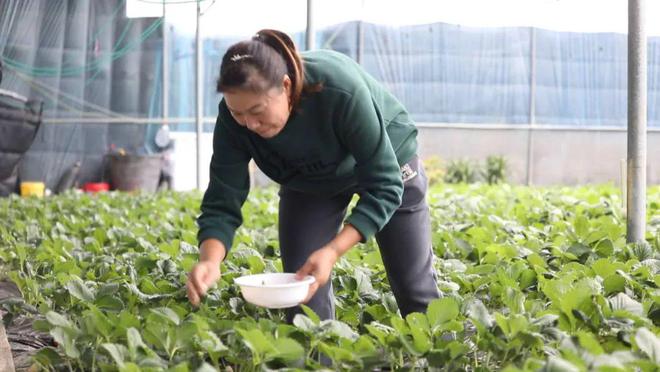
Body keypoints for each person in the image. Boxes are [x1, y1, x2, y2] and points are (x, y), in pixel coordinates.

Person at [186, 29, 439, 322]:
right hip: (311, 179)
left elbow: (384, 185)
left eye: (257, 111)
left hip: (389, 162)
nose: (249, 124)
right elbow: (223, 196)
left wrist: (332, 251)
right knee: (301, 292)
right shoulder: (235, 119)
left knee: (413, 287)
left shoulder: (339, 89)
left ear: (285, 85)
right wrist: (210, 260)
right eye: (238, 113)